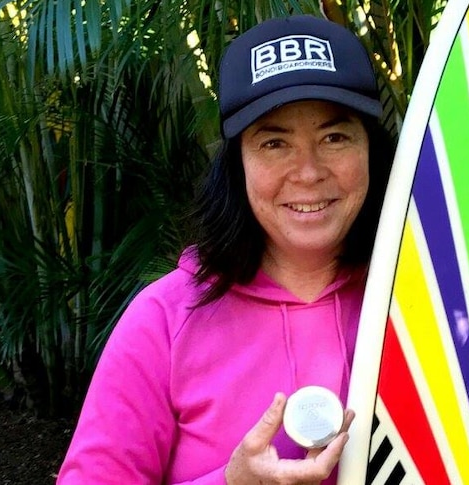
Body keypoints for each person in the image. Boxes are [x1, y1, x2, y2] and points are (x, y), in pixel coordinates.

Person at [57, 14, 393, 485]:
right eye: (274, 143)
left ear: (373, 152)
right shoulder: (164, 320)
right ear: (235, 165)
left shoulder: (429, 301)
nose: (308, 172)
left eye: (334, 138)